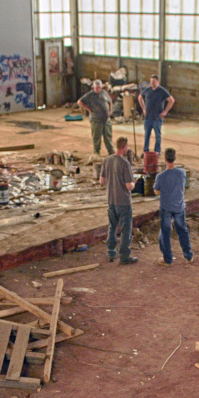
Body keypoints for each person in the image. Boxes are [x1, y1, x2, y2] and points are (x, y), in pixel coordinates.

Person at [99, 136, 137, 264]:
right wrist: (134, 183)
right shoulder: (124, 163)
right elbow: (128, 186)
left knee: (112, 227)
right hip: (124, 202)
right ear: (125, 147)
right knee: (126, 230)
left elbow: (101, 181)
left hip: (111, 200)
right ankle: (125, 256)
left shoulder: (107, 160)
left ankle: (111, 252)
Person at [153, 148, 194, 266]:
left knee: (165, 232)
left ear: (165, 159)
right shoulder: (182, 173)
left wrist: (165, 190)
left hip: (166, 207)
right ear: (175, 158)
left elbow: (156, 192)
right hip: (179, 207)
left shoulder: (160, 176)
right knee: (182, 231)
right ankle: (188, 256)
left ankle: (168, 259)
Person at [138, 74, 174, 153]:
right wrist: (144, 108)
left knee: (158, 136)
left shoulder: (162, 91)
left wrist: (165, 111)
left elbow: (171, 100)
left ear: (158, 82)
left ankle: (157, 151)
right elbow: (140, 98)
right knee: (147, 135)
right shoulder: (147, 90)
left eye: (154, 82)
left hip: (157, 118)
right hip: (148, 117)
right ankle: (145, 151)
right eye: (151, 81)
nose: (152, 83)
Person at [78, 80, 114, 156]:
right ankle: (96, 152)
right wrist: (88, 109)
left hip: (106, 119)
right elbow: (79, 102)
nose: (99, 89)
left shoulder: (104, 93)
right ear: (93, 87)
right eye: (97, 88)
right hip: (96, 120)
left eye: (100, 88)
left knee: (108, 136)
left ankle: (111, 151)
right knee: (96, 137)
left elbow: (110, 101)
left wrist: (110, 110)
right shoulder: (90, 95)